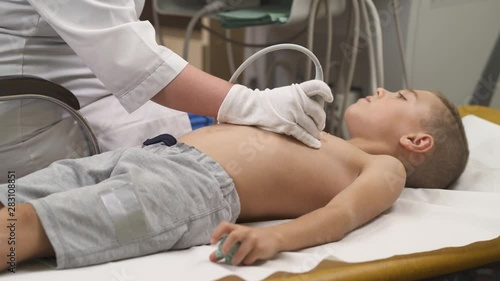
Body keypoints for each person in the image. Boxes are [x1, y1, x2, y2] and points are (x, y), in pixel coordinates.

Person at [0, 88, 468, 271]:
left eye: (401, 94)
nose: (382, 89)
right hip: (152, 156)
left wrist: (274, 240)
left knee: (34, 224)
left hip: (192, 189)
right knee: (21, 193)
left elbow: (341, 215)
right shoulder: (319, 134)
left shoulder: (384, 169)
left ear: (417, 141)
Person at [0, 1, 333, 174]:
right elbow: (134, 60)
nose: (381, 94)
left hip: (82, 98)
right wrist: (251, 105)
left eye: (390, 94)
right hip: (39, 123)